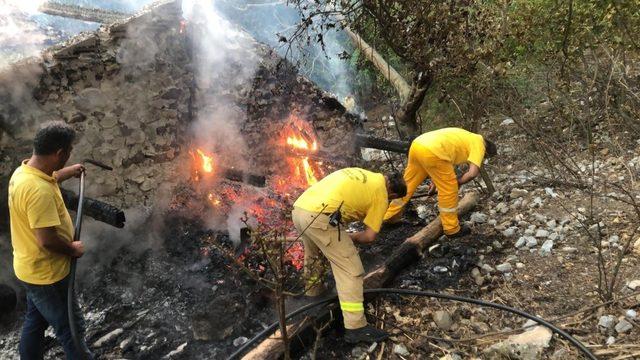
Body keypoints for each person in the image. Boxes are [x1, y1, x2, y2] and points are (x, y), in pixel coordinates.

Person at [291, 168, 407, 344]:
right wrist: (348, 237)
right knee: (351, 270)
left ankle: (314, 294)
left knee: (313, 254)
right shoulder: (381, 194)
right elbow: (369, 237)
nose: (390, 201)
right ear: (391, 192)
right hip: (320, 218)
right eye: (392, 199)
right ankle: (356, 327)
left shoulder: (363, 173)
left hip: (300, 209)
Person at [8, 121, 92, 359]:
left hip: (30, 269)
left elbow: (49, 177)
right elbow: (46, 240)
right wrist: (72, 248)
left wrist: (68, 172)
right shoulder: (38, 191)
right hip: (48, 274)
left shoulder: (24, 172)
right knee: (70, 328)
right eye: (68, 153)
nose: (68, 157)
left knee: (35, 321)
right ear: (59, 153)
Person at [384, 127, 497, 237]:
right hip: (433, 151)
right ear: (486, 152)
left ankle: (390, 217)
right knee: (449, 189)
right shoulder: (480, 144)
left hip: (418, 145)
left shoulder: (466, 138)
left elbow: (440, 166)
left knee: (407, 186)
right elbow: (472, 173)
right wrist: (458, 182)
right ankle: (451, 229)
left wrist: (434, 184)